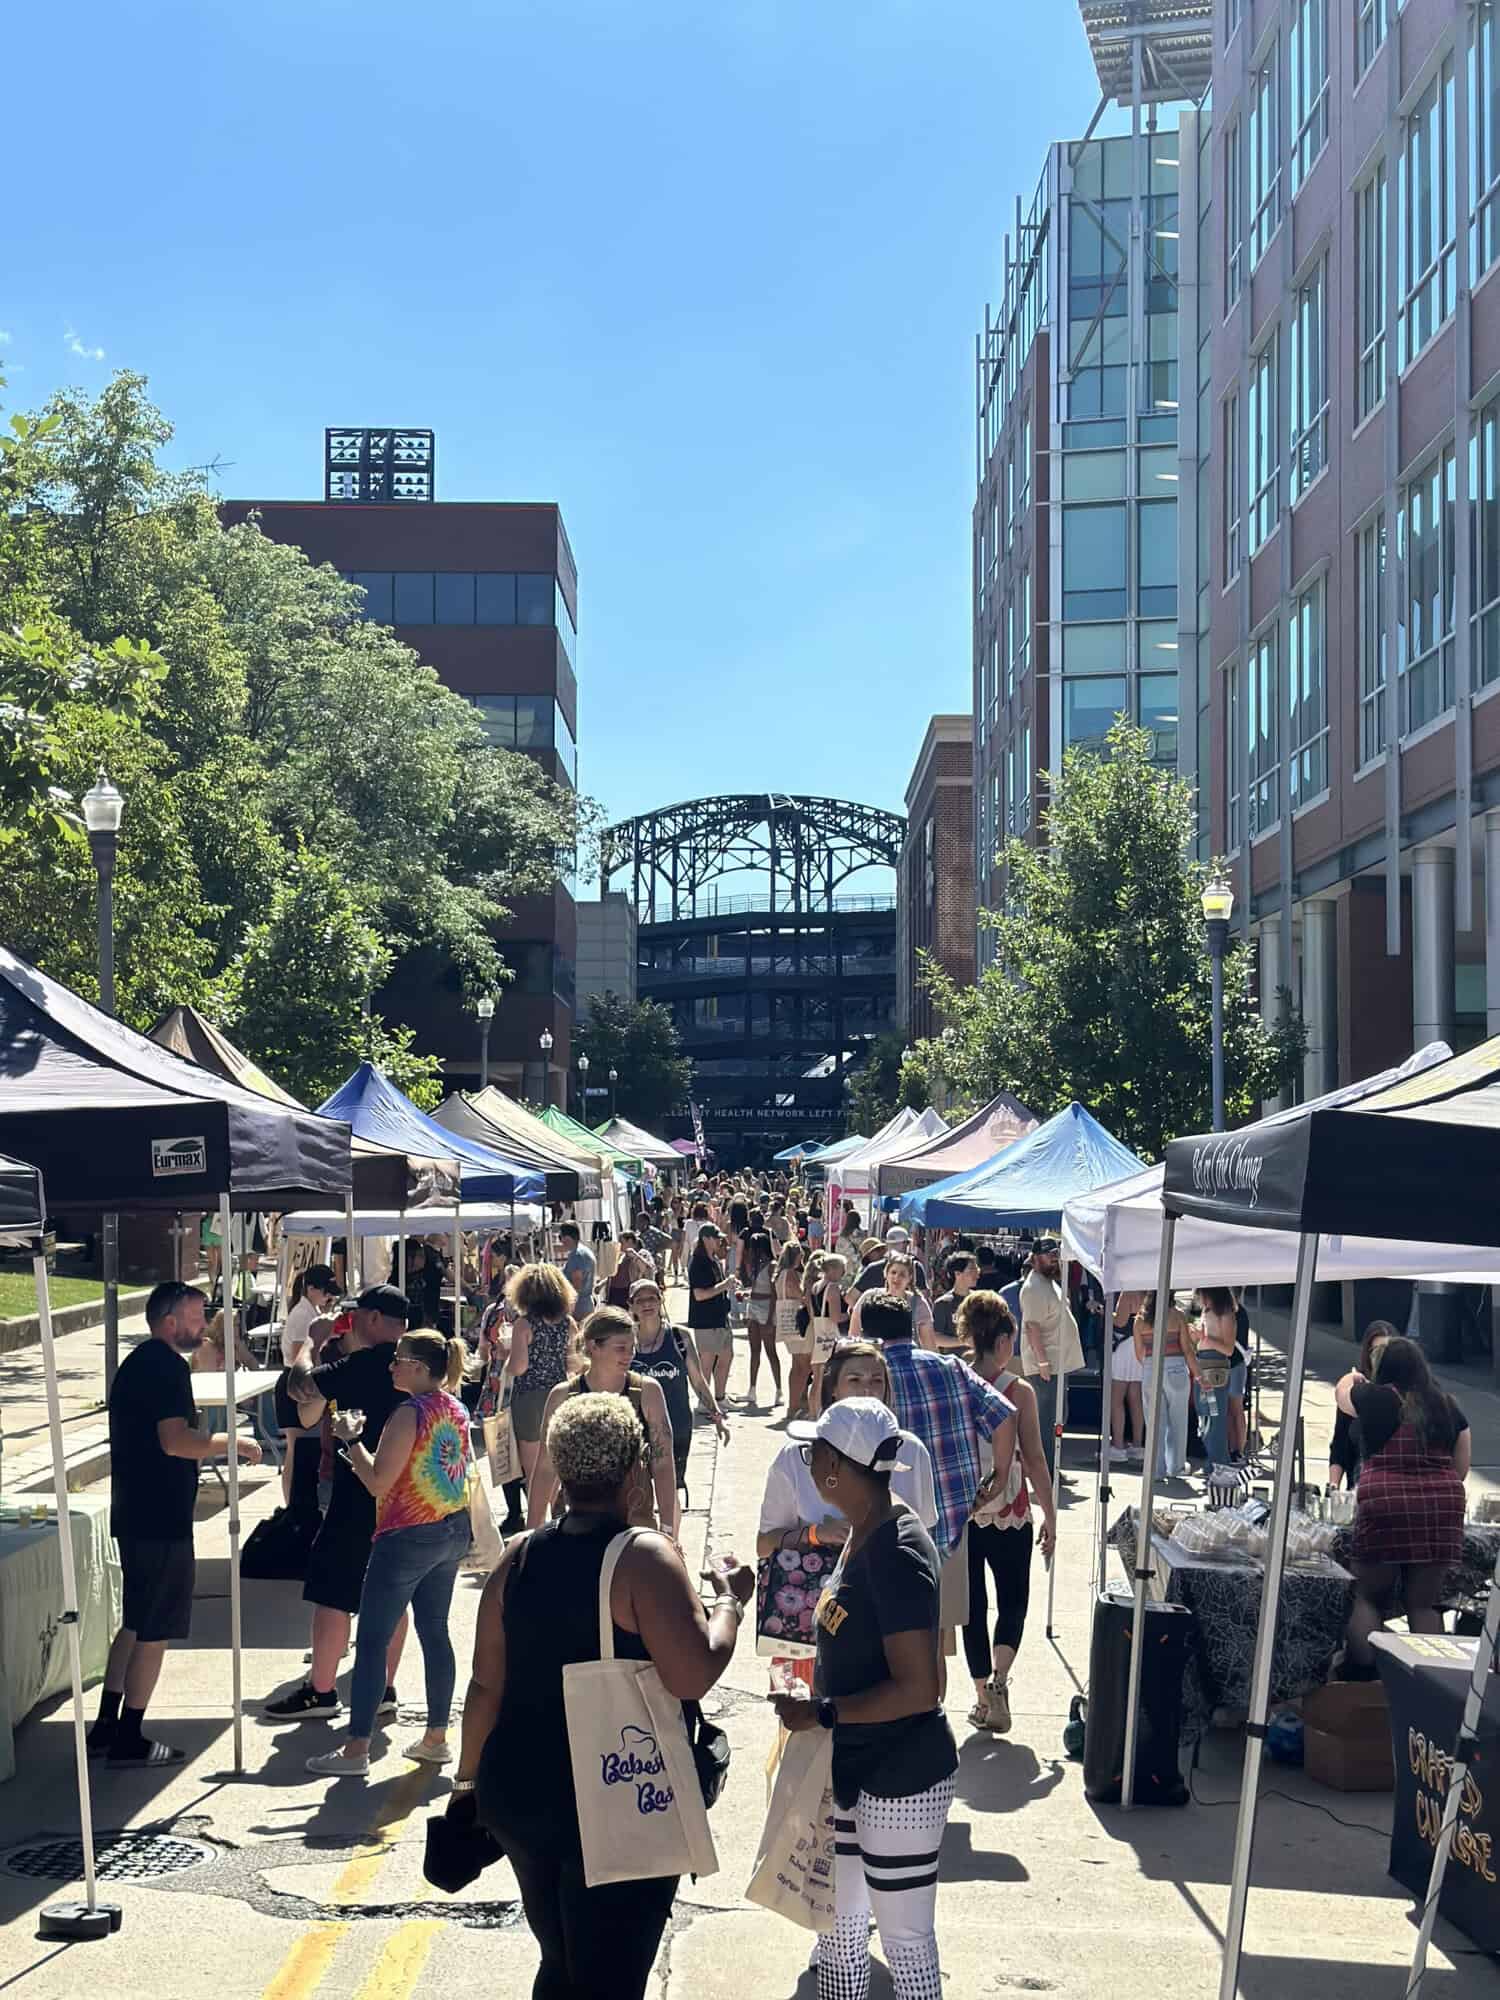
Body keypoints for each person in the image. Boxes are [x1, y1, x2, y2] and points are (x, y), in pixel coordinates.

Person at [449, 1395, 754, 2000]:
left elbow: (484, 1686)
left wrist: (466, 1786)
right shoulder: (642, 1557)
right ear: (635, 1468)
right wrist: (729, 1603)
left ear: (559, 1468)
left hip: (522, 1797)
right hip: (616, 1797)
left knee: (561, 1960)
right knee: (611, 1976)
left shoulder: (519, 1555)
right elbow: (693, 1673)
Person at [772, 1397, 957, 2000]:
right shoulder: (863, 1528)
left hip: (901, 1777)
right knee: (838, 1931)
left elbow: (920, 1689)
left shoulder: (897, 1551)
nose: (807, 1462)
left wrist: (823, 1712)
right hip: (853, 1764)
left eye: (814, 1453)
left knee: (905, 1942)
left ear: (836, 1467)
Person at [92, 1282, 262, 1765]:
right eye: (195, 1315)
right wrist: (231, 1442)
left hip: (137, 1510)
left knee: (136, 1620)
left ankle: (106, 1725)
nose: (204, 1324)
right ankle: (129, 1735)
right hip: (160, 1515)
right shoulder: (165, 1366)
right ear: (170, 1322)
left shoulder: (140, 1362)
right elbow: (175, 1440)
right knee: (155, 1628)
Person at [306, 1330, 474, 1776]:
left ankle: (356, 1748)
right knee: (435, 1631)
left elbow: (378, 1482)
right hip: (451, 1528)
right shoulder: (454, 1406)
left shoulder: (408, 1413)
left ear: (418, 1367)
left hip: (408, 1534)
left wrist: (350, 1440)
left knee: (372, 1641)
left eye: (398, 1360)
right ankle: (436, 1737)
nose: (391, 1366)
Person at [264, 1286, 413, 1722]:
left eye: (357, 1315)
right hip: (406, 1499)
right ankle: (384, 1688)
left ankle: (322, 1690)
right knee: (392, 1594)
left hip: (356, 1494)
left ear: (373, 1318)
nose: (352, 1322)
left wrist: (311, 1343)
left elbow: (300, 1389)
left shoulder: (362, 1365)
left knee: (332, 1593)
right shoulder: (417, 1363)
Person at [861, 1290, 1016, 1693]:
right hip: (948, 1529)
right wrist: (998, 1478)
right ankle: (931, 1721)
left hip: (882, 1532)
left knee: (880, 1647)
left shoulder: (867, 1377)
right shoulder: (950, 1368)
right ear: (911, 1328)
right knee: (932, 1645)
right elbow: (1003, 1415)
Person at [1337, 1336, 1470, 1675]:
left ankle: (1365, 1674)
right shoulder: (1446, 1405)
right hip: (1442, 1507)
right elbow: (1461, 1466)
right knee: (1423, 1604)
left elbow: (1342, 1396)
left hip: (1385, 1505)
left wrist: (1353, 1378)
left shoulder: (1375, 1397)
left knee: (1367, 1596)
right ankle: (1433, 1678)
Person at [959, 1291, 1056, 1735]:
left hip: (965, 1506)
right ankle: (999, 1680)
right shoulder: (1019, 1391)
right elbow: (1034, 1458)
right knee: (1013, 1599)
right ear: (1002, 1342)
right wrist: (1050, 1514)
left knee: (972, 1606)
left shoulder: (956, 1380)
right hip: (1011, 1506)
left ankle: (982, 1698)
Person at [759, 1341, 938, 1557]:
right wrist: (816, 1534)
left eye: (877, 1381)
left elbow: (926, 1538)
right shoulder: (795, 1455)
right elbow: (764, 1545)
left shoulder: (911, 1450)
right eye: (854, 1380)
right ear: (833, 1389)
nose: (867, 1390)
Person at [527, 1306, 677, 1534]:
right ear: (593, 1346)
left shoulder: (646, 1391)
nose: (629, 1355)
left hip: (633, 1522)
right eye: (620, 1348)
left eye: (632, 1347)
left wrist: (668, 1528)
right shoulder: (564, 1395)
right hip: (577, 1524)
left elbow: (663, 1462)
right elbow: (546, 1467)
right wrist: (532, 1529)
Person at [629, 1275, 729, 1518]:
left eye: (652, 1297)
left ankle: (671, 1536)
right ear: (631, 1306)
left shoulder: (678, 1337)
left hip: (676, 1427)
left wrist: (717, 1416)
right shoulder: (626, 1341)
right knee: (638, 1492)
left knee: (671, 1491)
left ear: (661, 1300)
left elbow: (698, 1381)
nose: (647, 1304)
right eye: (640, 1300)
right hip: (636, 1430)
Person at [502, 1262, 580, 1487]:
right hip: (560, 1394)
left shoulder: (524, 1324)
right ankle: (554, 1503)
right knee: (557, 1460)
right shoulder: (568, 1324)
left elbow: (518, 1367)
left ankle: (538, 1507)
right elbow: (574, 1364)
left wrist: (505, 1357)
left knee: (533, 1469)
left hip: (530, 1398)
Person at [1017, 1237, 1083, 1479]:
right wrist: (1042, 1363)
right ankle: (1045, 1475)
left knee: (1056, 1419)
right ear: (1035, 1258)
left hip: (1056, 1365)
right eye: (1048, 1255)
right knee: (1046, 1423)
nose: (1054, 1258)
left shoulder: (1048, 1282)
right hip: (1046, 1367)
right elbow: (1032, 1327)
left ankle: (1051, 1469)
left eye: (1056, 1253)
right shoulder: (1034, 1287)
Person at [1329, 1321, 1401, 1490]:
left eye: (1385, 1351)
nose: (1380, 1358)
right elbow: (1340, 1443)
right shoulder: (1357, 1389)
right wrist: (1333, 1486)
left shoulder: (1404, 1390)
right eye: (1375, 1352)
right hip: (1359, 1483)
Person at [1133, 1291, 1193, 1481]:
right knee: (1178, 1421)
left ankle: (1156, 1470)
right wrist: (1199, 1375)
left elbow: (1139, 1353)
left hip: (1151, 1369)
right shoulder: (1177, 1316)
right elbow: (1187, 1349)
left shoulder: (1139, 1320)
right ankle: (1176, 1467)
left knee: (1154, 1423)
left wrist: (1151, 1365)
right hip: (1176, 1369)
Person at [1190, 1288, 1242, 1468]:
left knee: (1214, 1417)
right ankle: (1213, 1461)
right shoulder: (1208, 1311)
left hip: (1215, 1370)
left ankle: (1218, 1462)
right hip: (1204, 1367)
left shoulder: (1226, 1314)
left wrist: (1204, 1339)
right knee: (1205, 1416)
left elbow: (1228, 1349)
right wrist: (1197, 1338)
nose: (1199, 1298)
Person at [687, 1221, 737, 1403]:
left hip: (721, 1317)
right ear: (706, 1239)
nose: (719, 1242)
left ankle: (720, 1398)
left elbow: (716, 1287)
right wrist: (724, 1285)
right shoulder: (698, 1262)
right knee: (706, 1363)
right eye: (716, 1238)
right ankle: (704, 1402)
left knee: (726, 1357)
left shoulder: (714, 1260)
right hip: (706, 1320)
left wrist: (729, 1286)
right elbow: (699, 1295)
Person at [849, 1252, 933, 1346]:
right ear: (886, 1273)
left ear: (909, 1278)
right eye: (893, 1272)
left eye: (902, 1274)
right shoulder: (870, 1297)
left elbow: (929, 1343)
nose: (896, 1277)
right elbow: (854, 1336)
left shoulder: (918, 1303)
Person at [775, 1240, 817, 1418]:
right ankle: (794, 1406)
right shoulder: (791, 1274)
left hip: (786, 1322)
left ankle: (796, 1405)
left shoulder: (780, 1274)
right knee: (803, 1366)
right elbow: (801, 1297)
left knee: (797, 1366)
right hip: (797, 1322)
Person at [743, 1227, 782, 1407]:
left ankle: (779, 1390)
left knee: (770, 1351)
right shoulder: (755, 1264)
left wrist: (769, 1318)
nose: (750, 1250)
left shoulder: (771, 1265)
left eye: (752, 1247)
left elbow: (774, 1294)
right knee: (754, 1350)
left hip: (766, 1308)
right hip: (753, 1305)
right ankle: (751, 1389)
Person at [1108, 1290, 1147, 1463]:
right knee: (1135, 1398)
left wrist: (1106, 1313)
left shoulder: (1128, 1292)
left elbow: (1120, 1321)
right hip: (1140, 1345)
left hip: (1124, 1346)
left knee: (1116, 1398)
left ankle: (1118, 1446)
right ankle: (1137, 1445)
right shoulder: (1149, 1289)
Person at [281, 1263, 339, 1369]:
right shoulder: (302, 1316)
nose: (329, 1296)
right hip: (298, 1374)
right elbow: (298, 1359)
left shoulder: (312, 1310)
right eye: (325, 1292)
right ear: (311, 1289)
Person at [931, 1252, 979, 1353]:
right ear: (957, 1274)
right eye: (971, 1270)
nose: (977, 1274)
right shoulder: (943, 1303)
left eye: (977, 1269)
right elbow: (935, 1338)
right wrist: (963, 1341)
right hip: (952, 1360)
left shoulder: (980, 1300)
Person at [557, 1222, 596, 1316]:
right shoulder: (584, 1251)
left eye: (560, 1237)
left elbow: (576, 1286)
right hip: (585, 1304)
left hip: (578, 1308)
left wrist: (568, 1309)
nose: (560, 1241)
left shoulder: (577, 1256)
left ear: (567, 1237)